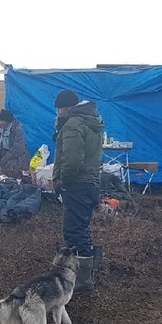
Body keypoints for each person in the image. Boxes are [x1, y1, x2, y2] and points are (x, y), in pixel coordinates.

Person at [51, 89, 105, 291]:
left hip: (77, 185)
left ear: (68, 107)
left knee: (74, 231)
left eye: (59, 108)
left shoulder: (74, 125)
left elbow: (72, 161)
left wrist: (63, 181)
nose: (57, 112)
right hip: (89, 183)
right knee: (81, 228)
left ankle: (83, 280)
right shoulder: (92, 121)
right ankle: (91, 269)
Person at [0, 109, 29, 178]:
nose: (0, 123)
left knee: (9, 167)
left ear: (8, 122)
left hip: (16, 157)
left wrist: (3, 160)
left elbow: (18, 148)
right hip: (1, 155)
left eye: (2, 121)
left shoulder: (17, 131)